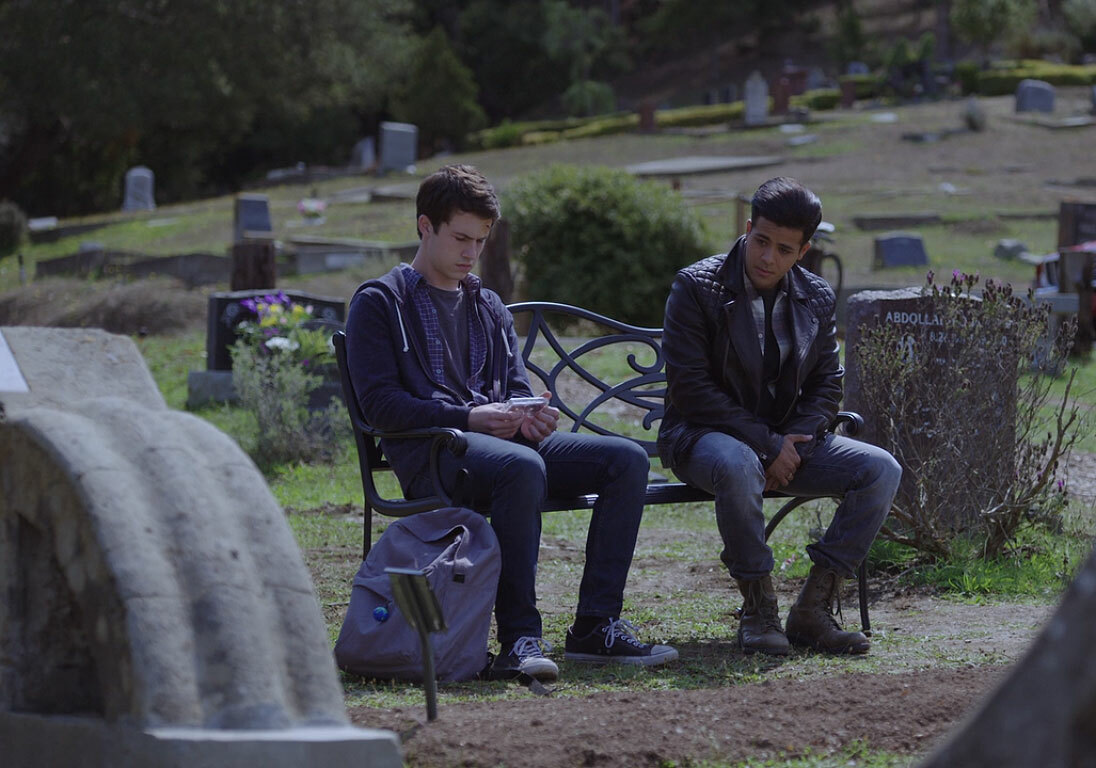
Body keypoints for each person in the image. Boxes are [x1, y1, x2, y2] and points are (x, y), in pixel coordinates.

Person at [345, 164, 677, 682]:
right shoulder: (380, 303)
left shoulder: (487, 304)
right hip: (436, 453)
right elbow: (381, 407)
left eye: (480, 241)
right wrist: (468, 417)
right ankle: (519, 640)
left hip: (502, 449)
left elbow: (516, 387)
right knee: (522, 468)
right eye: (460, 238)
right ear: (424, 226)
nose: (471, 253)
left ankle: (596, 627)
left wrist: (529, 415)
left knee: (626, 460)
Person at [660, 177, 902, 656]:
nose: (767, 257)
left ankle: (813, 610)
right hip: (702, 436)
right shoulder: (697, 287)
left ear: (803, 251)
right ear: (749, 228)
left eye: (784, 249)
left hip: (788, 444)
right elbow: (691, 390)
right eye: (761, 241)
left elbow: (826, 384)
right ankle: (758, 611)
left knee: (880, 470)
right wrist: (767, 445)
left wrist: (792, 441)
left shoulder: (816, 295)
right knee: (738, 463)